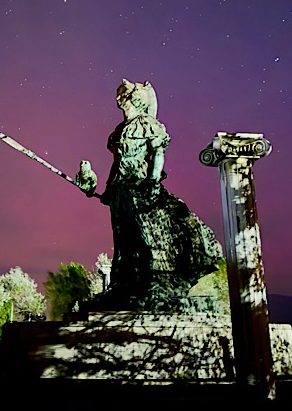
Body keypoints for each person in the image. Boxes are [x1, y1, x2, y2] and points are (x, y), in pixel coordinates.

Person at [77, 79, 222, 312]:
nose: (118, 99)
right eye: (118, 95)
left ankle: (156, 281)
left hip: (140, 184)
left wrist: (153, 182)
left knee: (144, 233)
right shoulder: (118, 131)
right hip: (121, 189)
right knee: (123, 239)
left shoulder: (147, 124)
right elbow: (118, 163)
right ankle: (124, 283)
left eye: (122, 95)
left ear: (135, 98)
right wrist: (108, 190)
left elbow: (157, 155)